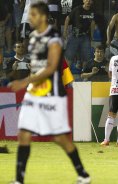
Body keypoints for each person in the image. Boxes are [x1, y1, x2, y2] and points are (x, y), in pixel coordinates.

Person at [8, 2, 90, 184]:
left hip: (52, 94)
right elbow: (36, 67)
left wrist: (24, 81)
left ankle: (83, 174)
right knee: (23, 133)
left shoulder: (54, 38)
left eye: (33, 14)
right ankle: (19, 179)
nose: (30, 18)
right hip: (34, 93)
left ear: (43, 17)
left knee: (60, 138)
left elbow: (52, 67)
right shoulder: (33, 37)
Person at [64, 0, 95, 67]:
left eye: (90, 0)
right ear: (83, 1)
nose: (88, 1)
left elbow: (92, 23)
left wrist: (92, 35)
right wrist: (65, 32)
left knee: (86, 58)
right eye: (87, 0)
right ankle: (65, 76)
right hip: (75, 35)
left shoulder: (92, 11)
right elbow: (67, 18)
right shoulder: (77, 9)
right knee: (69, 57)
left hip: (85, 36)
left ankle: (84, 75)